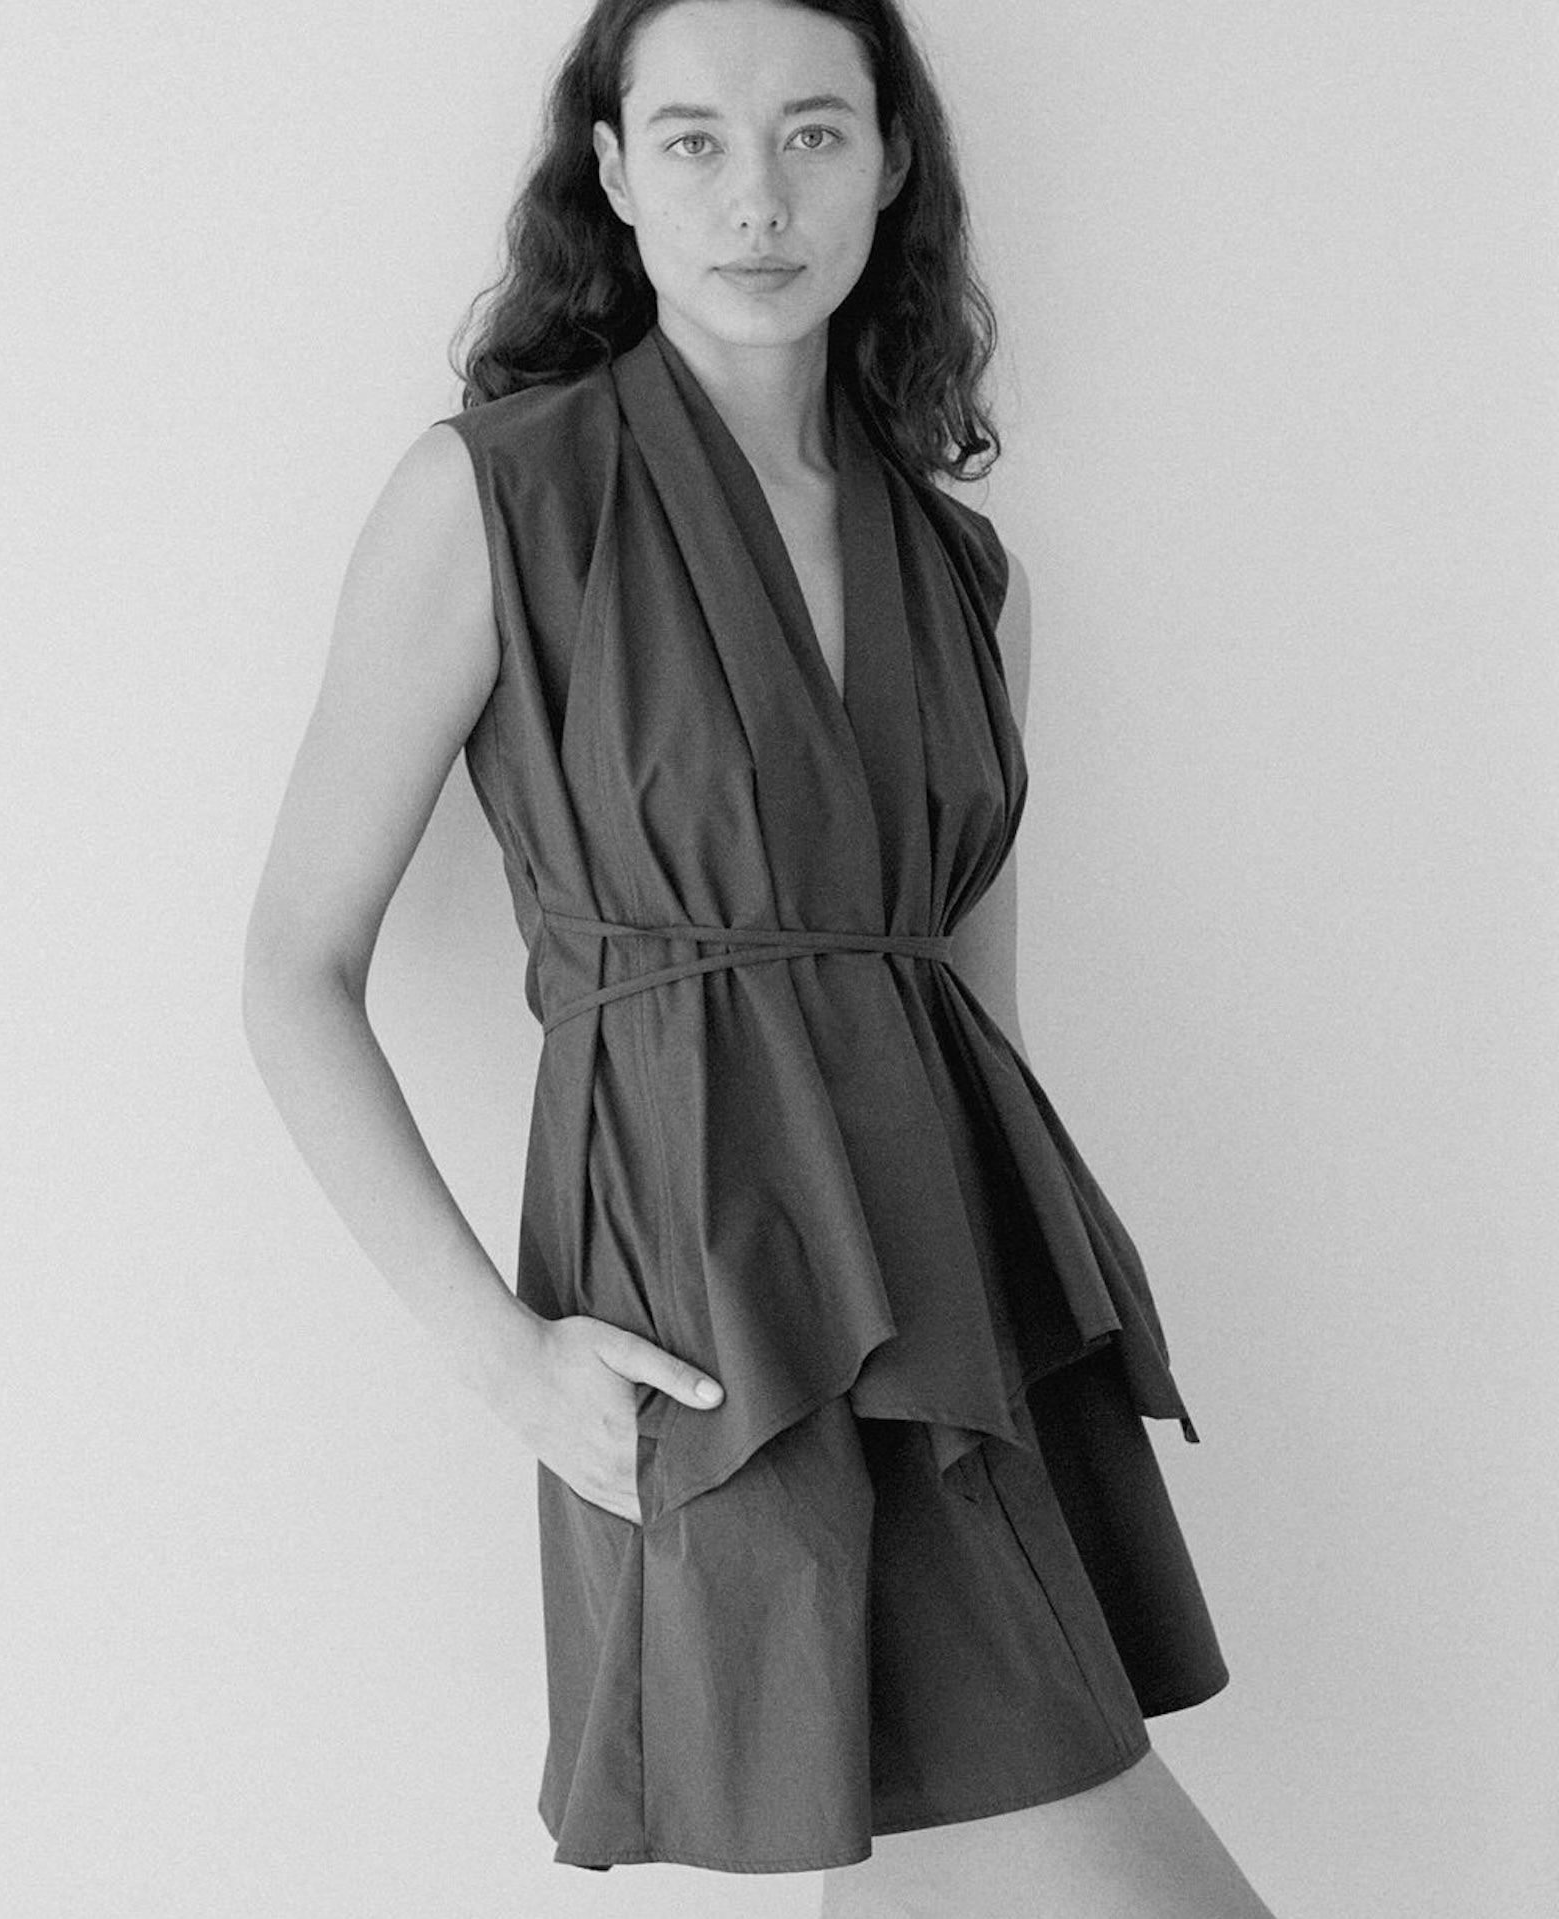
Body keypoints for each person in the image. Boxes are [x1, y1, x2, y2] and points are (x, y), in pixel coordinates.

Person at [242, 0, 1279, 1910]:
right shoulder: (496, 496)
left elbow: (974, 1009)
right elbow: (294, 968)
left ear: (892, 164)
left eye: (812, 134)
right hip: (717, 1323)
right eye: (696, 140)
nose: (757, 198)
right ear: (616, 174)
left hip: (967, 1318)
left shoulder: (970, 576)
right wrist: (504, 1360)